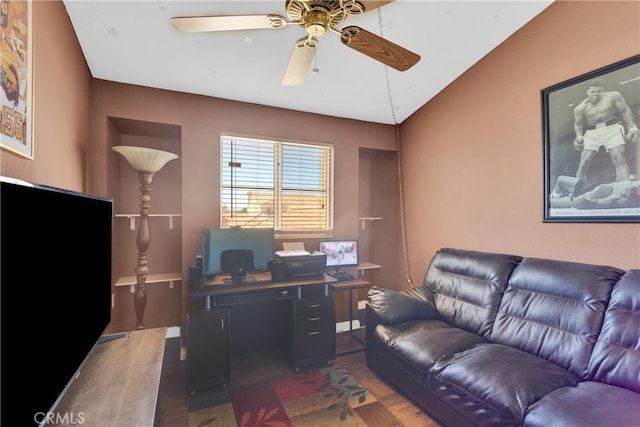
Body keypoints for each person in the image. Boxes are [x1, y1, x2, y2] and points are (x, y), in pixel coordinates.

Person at [573, 78, 639, 182]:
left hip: (612, 128)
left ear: (602, 90)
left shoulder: (613, 96)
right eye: (592, 92)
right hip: (592, 132)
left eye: (599, 91)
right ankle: (575, 189)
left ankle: (625, 188)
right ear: (587, 92)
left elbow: (625, 110)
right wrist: (579, 137)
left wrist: (632, 127)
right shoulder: (580, 108)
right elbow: (578, 124)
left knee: (619, 158)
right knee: (584, 162)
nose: (596, 94)